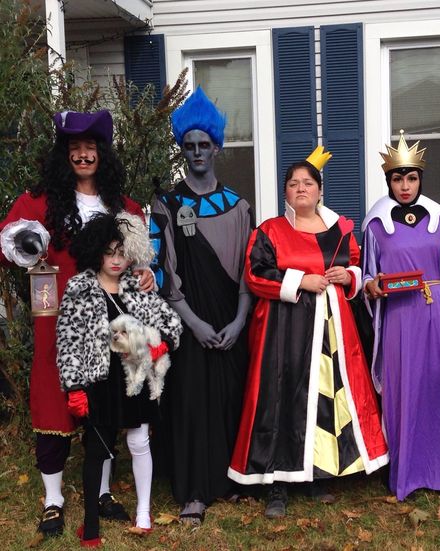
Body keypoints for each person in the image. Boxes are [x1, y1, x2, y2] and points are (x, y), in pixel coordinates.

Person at [0, 110, 153, 536]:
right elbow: (7, 241)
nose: (83, 155)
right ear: (64, 154)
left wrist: (145, 272)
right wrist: (27, 243)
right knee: (53, 400)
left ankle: (101, 491)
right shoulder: (41, 202)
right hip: (60, 321)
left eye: (90, 148)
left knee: (104, 403)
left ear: (102, 154)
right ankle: (53, 500)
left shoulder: (123, 207)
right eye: (75, 149)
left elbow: (141, 258)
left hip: (110, 322)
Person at [228, 148, 389, 518]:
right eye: (293, 183)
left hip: (331, 329)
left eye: (308, 183)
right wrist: (302, 280)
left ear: (319, 190)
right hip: (283, 330)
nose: (301, 188)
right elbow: (255, 274)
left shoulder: (340, 230)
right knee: (281, 396)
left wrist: (345, 277)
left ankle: (319, 472)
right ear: (285, 192)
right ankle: (277, 484)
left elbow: (358, 269)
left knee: (325, 396)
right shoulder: (270, 230)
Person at [149, 87, 254, 525]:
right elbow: (161, 273)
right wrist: (191, 322)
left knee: (231, 400)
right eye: (188, 146)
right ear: (182, 148)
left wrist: (239, 320)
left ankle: (230, 481)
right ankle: (193, 491)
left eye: (203, 145)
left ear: (216, 147)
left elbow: (252, 271)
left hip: (232, 322)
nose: (196, 153)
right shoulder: (166, 205)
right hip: (187, 322)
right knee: (191, 403)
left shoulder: (239, 206)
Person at [56, 213, 182, 546]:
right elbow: (67, 341)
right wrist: (74, 387)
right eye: (109, 251)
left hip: (133, 378)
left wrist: (160, 346)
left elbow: (171, 323)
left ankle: (144, 512)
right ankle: (91, 525)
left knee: (139, 442)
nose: (116, 259)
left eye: (122, 252)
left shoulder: (136, 286)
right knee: (97, 449)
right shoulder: (80, 288)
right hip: (98, 381)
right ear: (96, 250)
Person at [361, 131, 440, 500]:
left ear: (420, 178)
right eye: (397, 178)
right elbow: (367, 273)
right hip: (399, 318)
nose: (404, 186)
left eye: (410, 178)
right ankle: (407, 470)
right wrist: (371, 285)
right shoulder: (376, 223)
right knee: (403, 387)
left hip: (435, 310)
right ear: (388, 180)